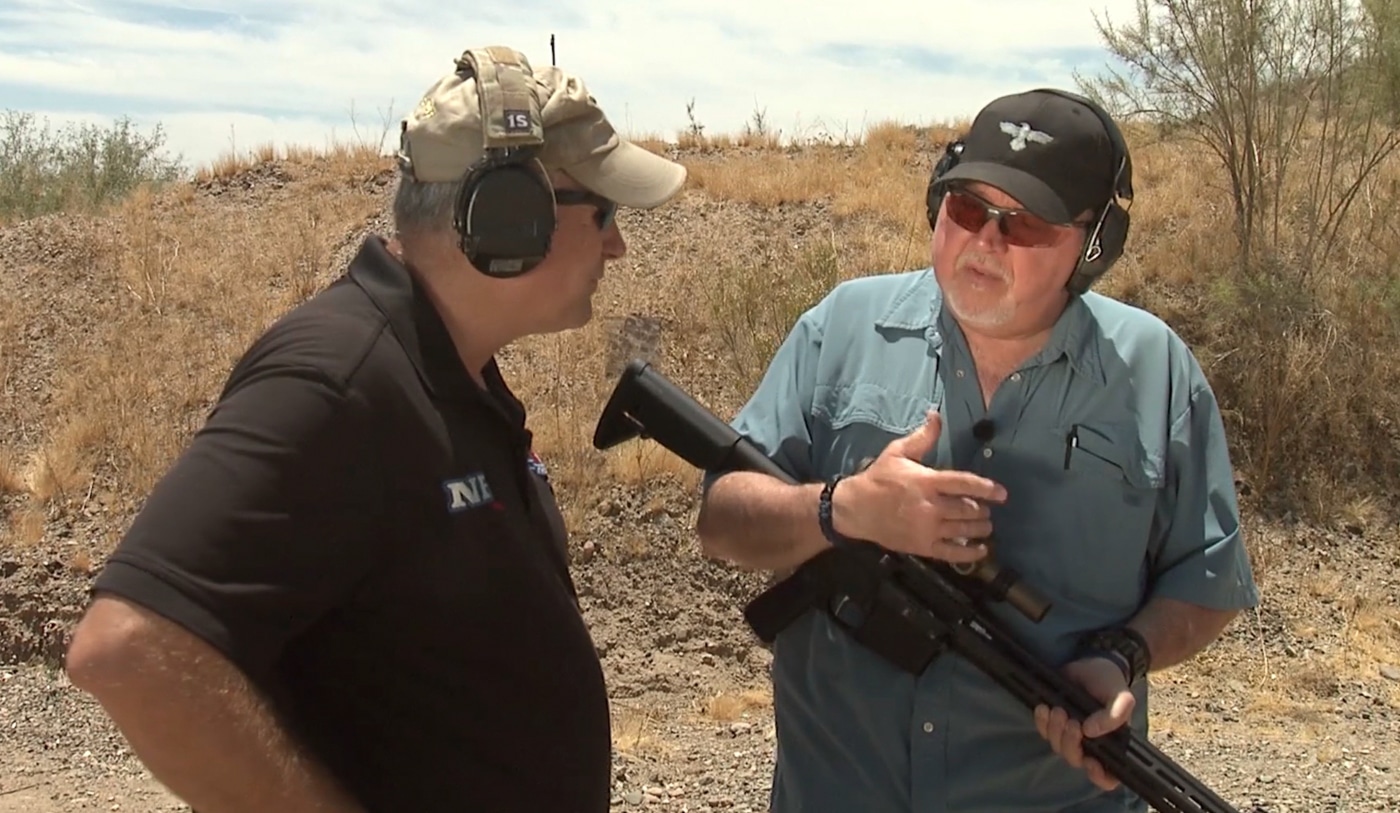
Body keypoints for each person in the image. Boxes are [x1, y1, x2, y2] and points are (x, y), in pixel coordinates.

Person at [62, 45, 687, 813]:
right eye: (605, 213)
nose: (618, 244)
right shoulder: (338, 377)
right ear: (510, 216)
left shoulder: (447, 370)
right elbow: (129, 648)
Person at [694, 88, 1259, 813]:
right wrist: (844, 509)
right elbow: (721, 519)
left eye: (1024, 224)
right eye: (967, 209)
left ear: (1092, 246)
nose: (985, 241)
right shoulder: (841, 328)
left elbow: (1206, 581)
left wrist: (1122, 656)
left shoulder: (1157, 372)